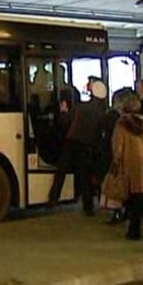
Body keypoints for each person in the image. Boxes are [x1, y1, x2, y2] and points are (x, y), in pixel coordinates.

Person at [48, 80, 107, 216]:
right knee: (84, 176)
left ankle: (53, 200)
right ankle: (88, 207)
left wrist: (63, 111)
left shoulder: (81, 107)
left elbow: (65, 122)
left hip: (71, 143)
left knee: (61, 172)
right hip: (86, 146)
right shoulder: (102, 112)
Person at [108, 95, 143, 239]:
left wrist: (116, 161)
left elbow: (118, 147)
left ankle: (134, 230)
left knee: (132, 200)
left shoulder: (121, 125)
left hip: (129, 165)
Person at [99, 88, 131, 224]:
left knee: (115, 185)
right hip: (128, 156)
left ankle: (116, 212)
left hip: (112, 154)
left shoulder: (110, 117)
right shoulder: (130, 119)